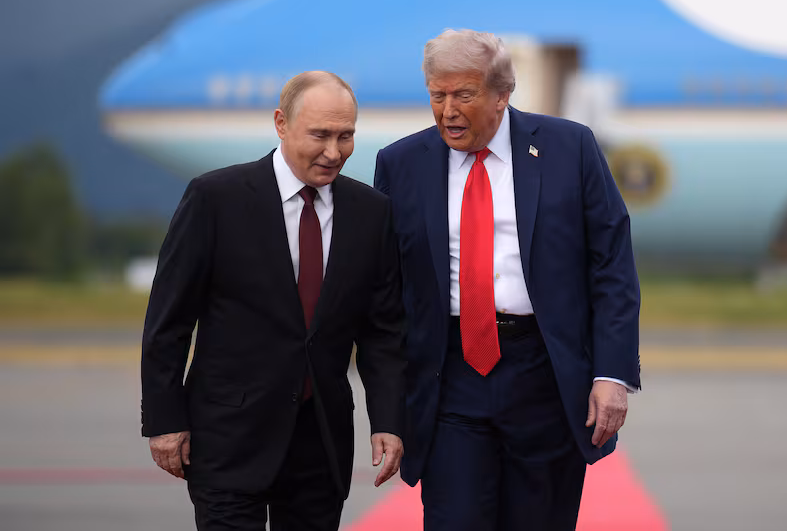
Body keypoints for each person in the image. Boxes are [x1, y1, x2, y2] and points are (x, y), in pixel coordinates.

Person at [374, 30, 640, 530]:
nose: (448, 109)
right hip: (449, 375)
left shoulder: (569, 148)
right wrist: (388, 407)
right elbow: (385, 293)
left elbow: (612, 267)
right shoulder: (400, 164)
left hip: (544, 372)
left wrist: (611, 375)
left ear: (502, 94)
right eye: (438, 95)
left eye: (464, 95)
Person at [141, 71, 405, 531]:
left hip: (320, 444)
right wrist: (164, 420)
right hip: (228, 439)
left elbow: (381, 332)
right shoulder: (214, 198)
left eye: (346, 137)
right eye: (320, 135)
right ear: (281, 124)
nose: (333, 151)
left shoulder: (371, 212)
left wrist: (388, 419)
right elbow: (169, 321)